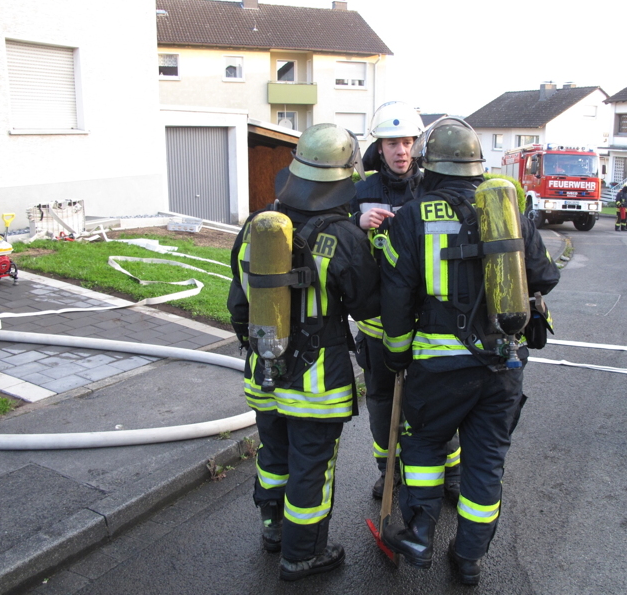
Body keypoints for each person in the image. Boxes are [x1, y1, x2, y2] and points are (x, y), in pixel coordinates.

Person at [378, 117, 560, 584]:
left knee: (423, 443)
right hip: (503, 364)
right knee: (486, 462)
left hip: (438, 366)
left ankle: (419, 534)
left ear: (429, 167)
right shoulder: (506, 209)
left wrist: (396, 354)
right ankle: (469, 558)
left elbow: (395, 298)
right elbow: (545, 276)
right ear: (478, 165)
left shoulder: (411, 217)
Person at [227, 124, 381, 581]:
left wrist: (260, 350)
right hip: (317, 385)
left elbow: (238, 305)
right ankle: (303, 554)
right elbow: (368, 309)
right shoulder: (345, 238)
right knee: (312, 469)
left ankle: (273, 530)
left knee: (274, 456)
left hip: (264, 372)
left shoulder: (257, 227)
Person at [351, 102, 461, 502]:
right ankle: (389, 472)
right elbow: (336, 241)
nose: (401, 151)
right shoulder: (360, 194)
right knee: (381, 404)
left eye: (408, 142)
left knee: (438, 401)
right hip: (377, 325)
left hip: (427, 321)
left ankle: (451, 472)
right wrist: (356, 224)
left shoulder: (433, 188)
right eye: (392, 143)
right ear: (379, 148)